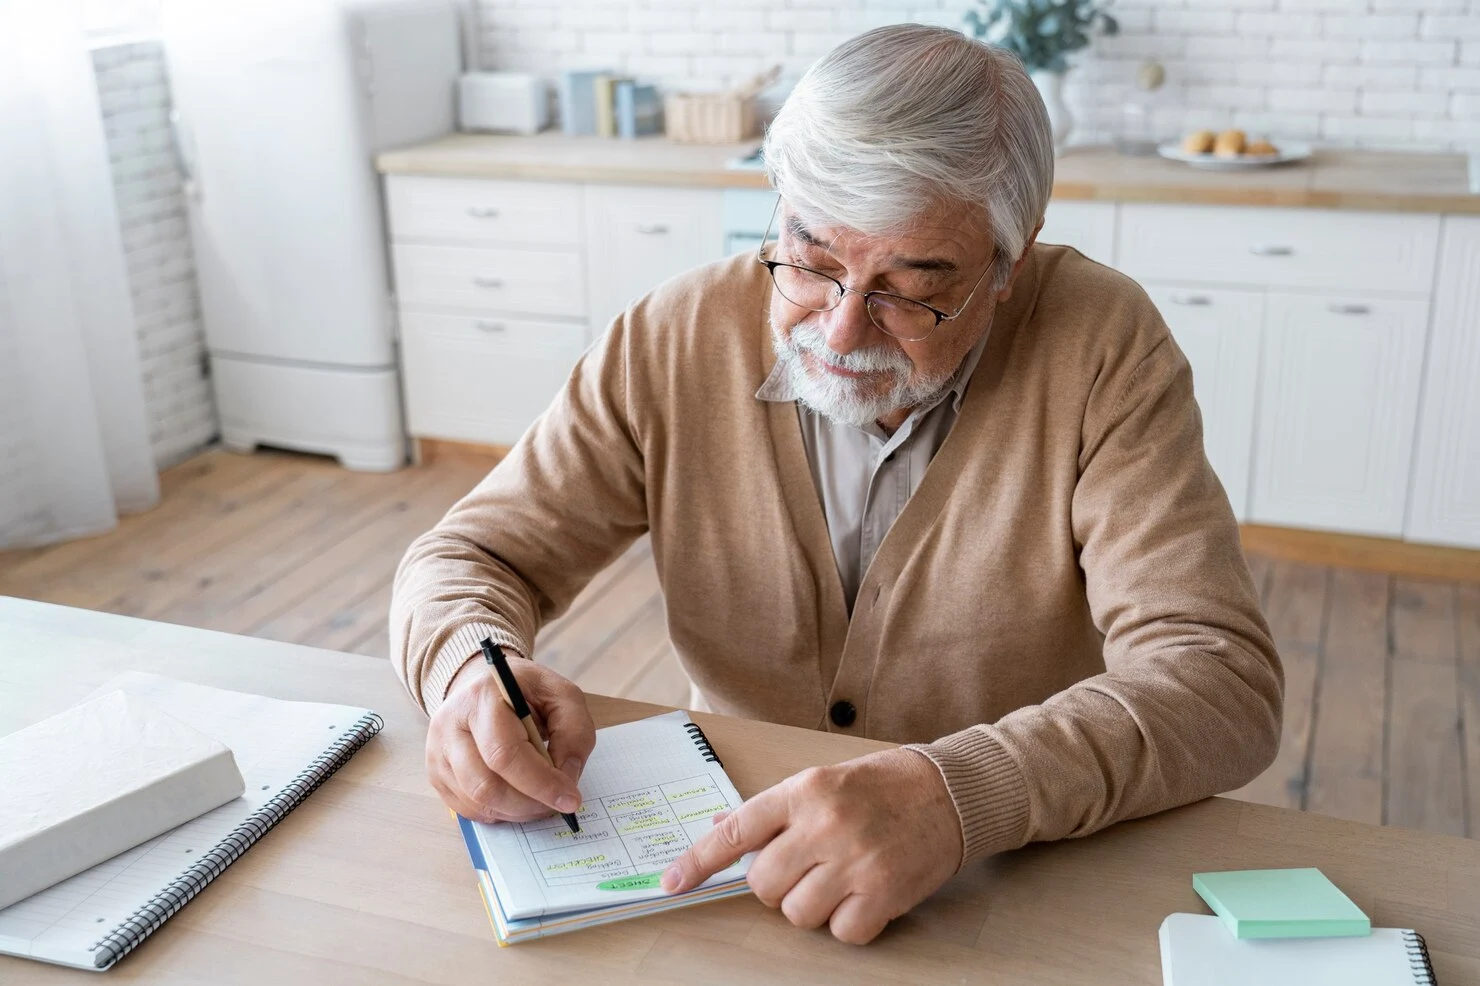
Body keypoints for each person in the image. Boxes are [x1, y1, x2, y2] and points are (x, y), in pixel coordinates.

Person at [390, 24, 1283, 946]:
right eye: (812, 262)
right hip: (732, 871)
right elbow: (470, 554)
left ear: (1011, 260)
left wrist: (957, 794)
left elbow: (1219, 681)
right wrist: (467, 669)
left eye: (911, 289)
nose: (845, 332)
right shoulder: (672, 335)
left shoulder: (1103, 347)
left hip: (1002, 876)